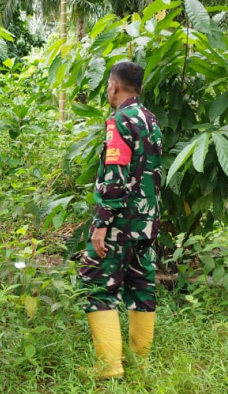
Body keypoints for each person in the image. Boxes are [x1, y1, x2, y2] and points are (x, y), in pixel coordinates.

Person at [79, 61, 163, 380]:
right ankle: (141, 363)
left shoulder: (119, 121)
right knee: (142, 286)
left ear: (114, 86)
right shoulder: (151, 120)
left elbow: (115, 175)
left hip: (120, 222)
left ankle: (110, 367)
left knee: (95, 282)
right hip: (147, 221)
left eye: (108, 86)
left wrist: (102, 223)